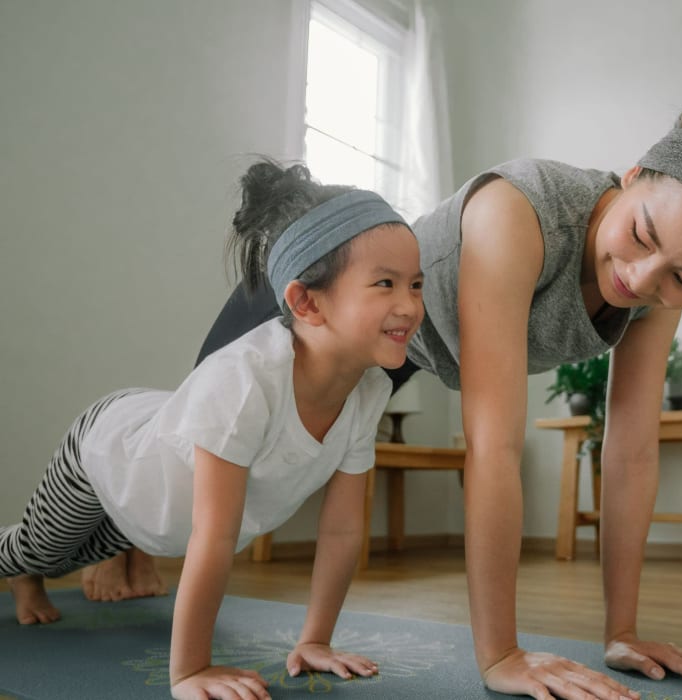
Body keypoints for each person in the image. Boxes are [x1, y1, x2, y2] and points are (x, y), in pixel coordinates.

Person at [100, 102, 682, 699]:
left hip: (400, 348)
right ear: (632, 178)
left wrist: (621, 633)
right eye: (641, 236)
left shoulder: (659, 285)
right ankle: (114, 536)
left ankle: (133, 547)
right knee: (183, 460)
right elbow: (495, 444)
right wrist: (500, 655)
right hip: (326, 315)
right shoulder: (521, 211)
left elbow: (630, 449)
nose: (642, 278)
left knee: (243, 486)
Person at [1, 160, 425, 700]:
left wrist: (315, 640)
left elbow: (341, 532)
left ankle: (33, 571)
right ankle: (24, 572)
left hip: (156, 513)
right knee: (34, 550)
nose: (410, 305)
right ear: (305, 302)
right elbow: (214, 535)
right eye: (385, 283)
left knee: (71, 556)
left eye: (416, 284)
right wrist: (190, 671)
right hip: (107, 453)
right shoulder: (247, 380)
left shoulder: (368, 394)